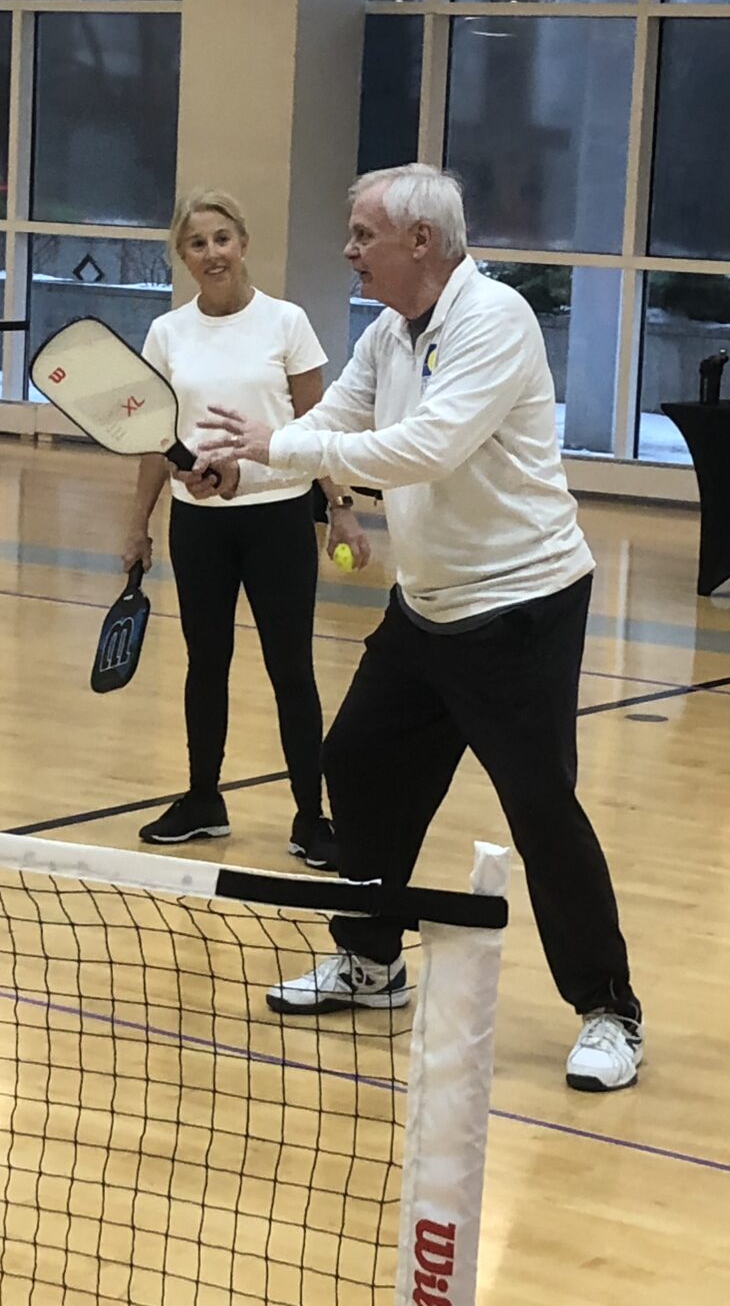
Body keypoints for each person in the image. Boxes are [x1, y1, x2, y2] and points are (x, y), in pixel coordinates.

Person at [187, 163, 644, 1093]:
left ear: (420, 243)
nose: (349, 251)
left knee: (539, 810)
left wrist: (270, 445)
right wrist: (243, 474)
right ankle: (371, 961)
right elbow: (333, 429)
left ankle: (609, 1011)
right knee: (357, 764)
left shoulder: (495, 322)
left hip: (520, 606)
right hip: (427, 607)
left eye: (363, 235)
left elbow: (424, 447)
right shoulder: (391, 334)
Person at [123, 190, 368, 870]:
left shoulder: (286, 323)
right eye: (197, 244)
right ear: (184, 256)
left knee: (291, 669)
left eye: (222, 239)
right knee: (206, 666)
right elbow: (154, 439)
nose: (212, 254)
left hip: (280, 519)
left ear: (243, 243)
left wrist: (339, 505)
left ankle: (310, 817)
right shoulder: (167, 334)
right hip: (199, 524)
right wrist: (138, 525)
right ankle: (204, 799)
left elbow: (319, 427)